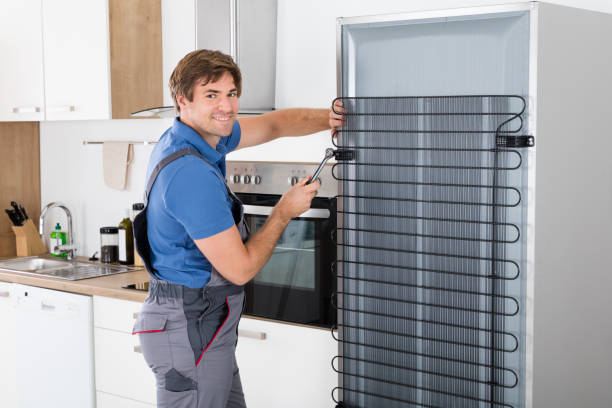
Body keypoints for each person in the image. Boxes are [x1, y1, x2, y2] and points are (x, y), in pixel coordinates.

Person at [131, 49, 344, 408]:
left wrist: (333, 119)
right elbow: (240, 268)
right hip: (189, 326)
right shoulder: (191, 174)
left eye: (231, 94)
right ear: (183, 100)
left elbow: (276, 124)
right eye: (211, 95)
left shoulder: (200, 136)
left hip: (204, 323)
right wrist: (282, 212)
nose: (226, 106)